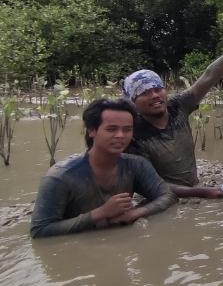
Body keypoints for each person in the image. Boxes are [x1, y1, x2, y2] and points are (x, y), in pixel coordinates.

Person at [124, 28, 223, 198]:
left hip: (193, 190)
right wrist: (202, 192)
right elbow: (149, 184)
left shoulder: (177, 106)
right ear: (133, 101)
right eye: (145, 93)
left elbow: (209, 77)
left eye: (157, 89)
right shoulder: (134, 135)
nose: (154, 96)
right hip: (159, 199)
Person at [30, 99, 177, 238]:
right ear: (91, 130)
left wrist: (135, 213)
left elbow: (167, 196)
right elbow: (39, 231)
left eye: (127, 130)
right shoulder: (60, 177)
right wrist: (100, 213)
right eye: (111, 129)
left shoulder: (136, 165)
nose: (120, 136)